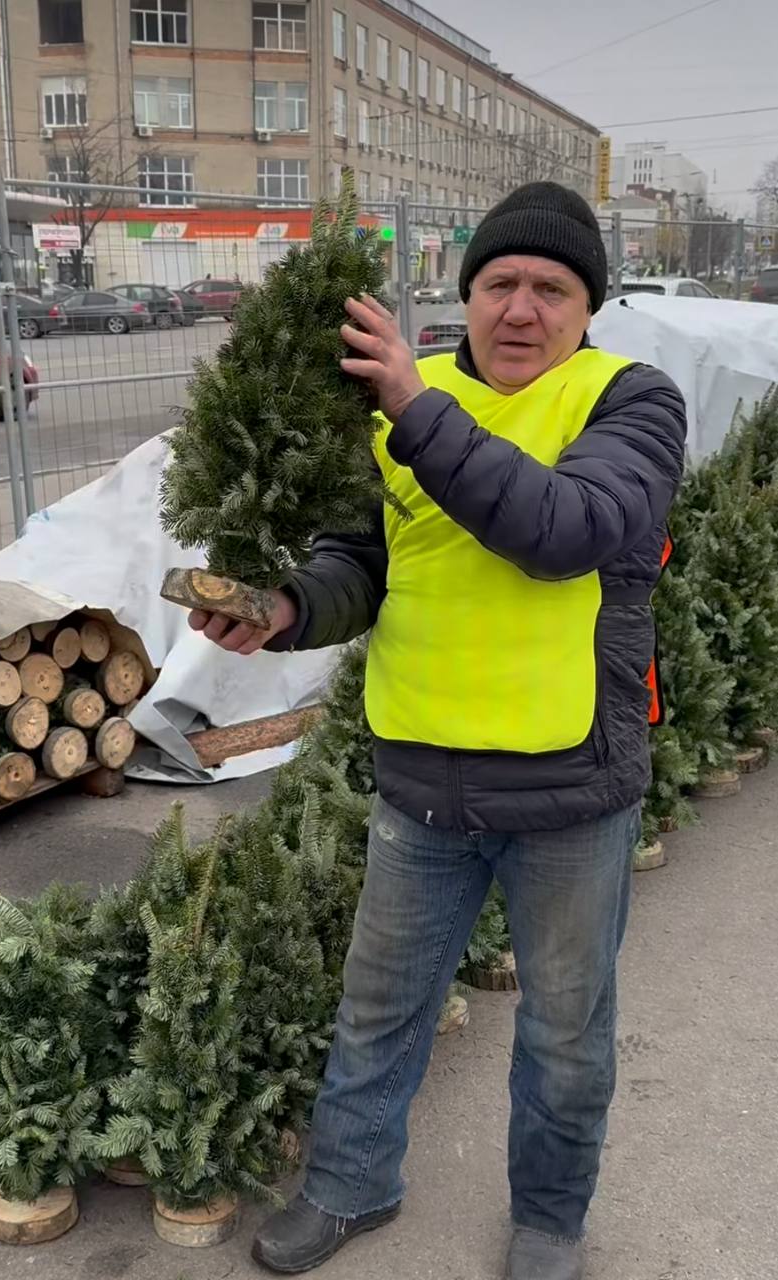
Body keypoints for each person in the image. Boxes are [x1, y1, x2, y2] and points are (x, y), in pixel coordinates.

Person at [189, 182, 687, 1280]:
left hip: (569, 788)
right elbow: (360, 559)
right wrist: (285, 608)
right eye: (500, 282)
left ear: (588, 308)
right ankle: (349, 1185)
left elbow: (565, 531)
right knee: (378, 1006)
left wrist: (417, 411)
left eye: (551, 288)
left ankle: (549, 1220)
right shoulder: (402, 400)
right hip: (422, 775)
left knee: (563, 1031)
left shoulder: (629, 402)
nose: (521, 308)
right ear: (467, 294)